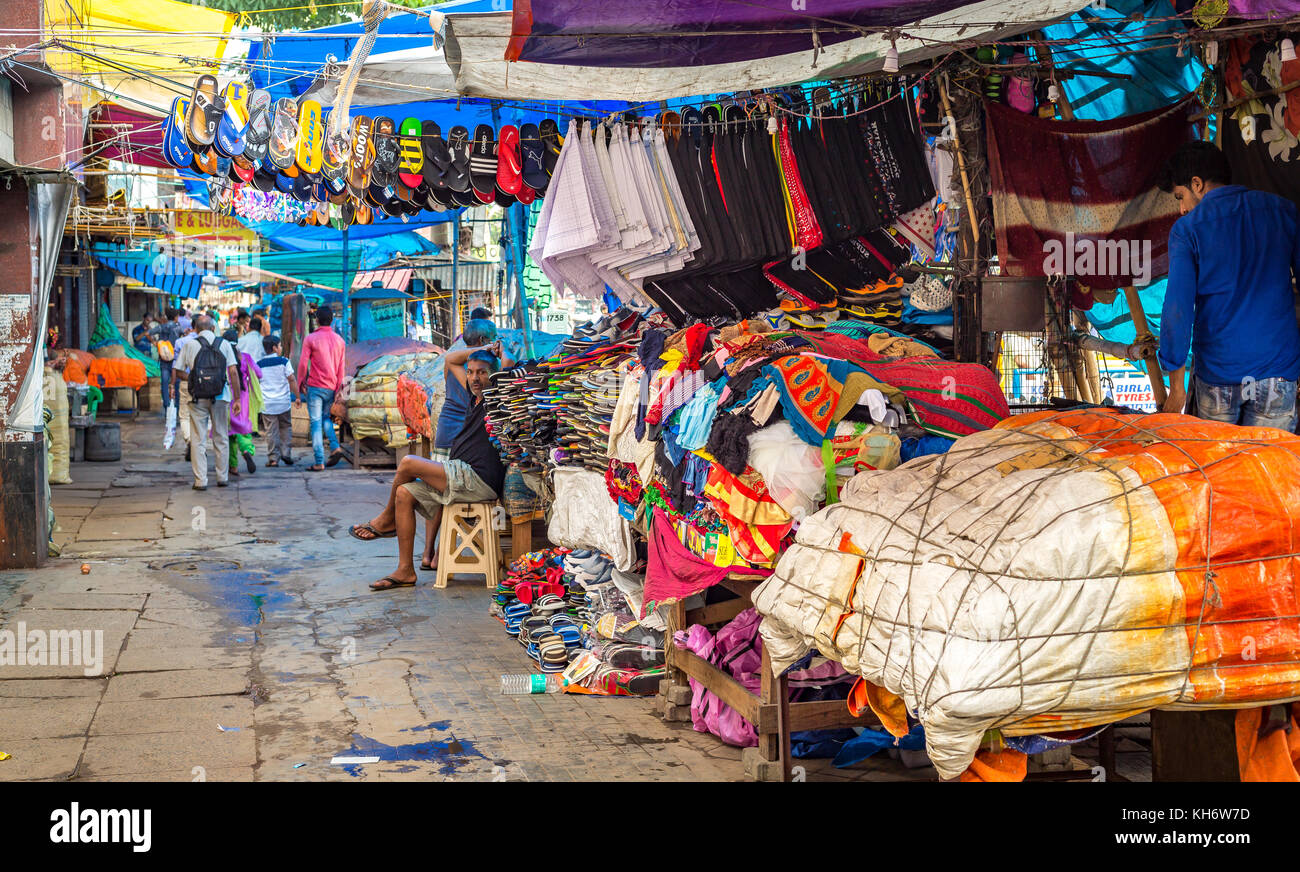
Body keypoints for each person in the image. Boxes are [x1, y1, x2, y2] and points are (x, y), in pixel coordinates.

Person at [1154, 141, 1300, 431]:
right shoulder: (1282, 211)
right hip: (1278, 377)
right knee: (1269, 473)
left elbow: (1177, 310)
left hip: (1218, 380)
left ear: (1197, 184)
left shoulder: (1187, 230)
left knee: (1217, 473)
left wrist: (1177, 386)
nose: (1182, 208)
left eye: (1180, 196)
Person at [349, 343, 507, 590]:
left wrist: (498, 352)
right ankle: (405, 570)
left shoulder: (496, 397)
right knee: (404, 493)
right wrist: (484, 348)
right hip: (459, 474)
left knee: (408, 463)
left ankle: (385, 520)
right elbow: (452, 359)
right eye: (472, 372)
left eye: (482, 372)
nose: (475, 378)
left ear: (494, 375)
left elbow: (505, 365)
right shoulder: (473, 397)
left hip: (477, 480)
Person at [172, 314, 240, 490]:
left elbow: (178, 371)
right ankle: (222, 477)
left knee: (198, 438)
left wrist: (195, 378)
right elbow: (233, 372)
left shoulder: (189, 345)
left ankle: (200, 481)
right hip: (221, 396)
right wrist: (238, 398)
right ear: (212, 328)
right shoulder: (224, 344)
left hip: (198, 398)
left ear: (195, 329)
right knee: (221, 437)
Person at [435, 318, 506, 457]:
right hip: (461, 433)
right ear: (483, 340)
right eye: (493, 338)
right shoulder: (481, 367)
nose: (496, 342)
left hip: (446, 430)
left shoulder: (457, 360)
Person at [297, 304, 346, 470]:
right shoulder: (340, 341)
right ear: (332, 320)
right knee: (325, 418)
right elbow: (341, 369)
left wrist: (300, 382)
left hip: (315, 387)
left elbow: (303, 364)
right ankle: (335, 446)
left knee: (316, 423)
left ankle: (319, 461)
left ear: (317, 320)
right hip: (332, 387)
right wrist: (339, 389)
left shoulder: (310, 339)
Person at [223, 328, 261, 476]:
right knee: (243, 430)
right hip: (243, 399)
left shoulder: (222, 357)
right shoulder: (246, 358)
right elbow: (259, 374)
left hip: (227, 397)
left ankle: (233, 467)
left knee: (230, 433)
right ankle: (246, 450)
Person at [258, 334, 299, 466]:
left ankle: (273, 458)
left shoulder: (259, 364)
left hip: (267, 404)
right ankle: (286, 453)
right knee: (286, 427)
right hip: (283, 403)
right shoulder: (284, 362)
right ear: (275, 348)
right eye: (280, 345)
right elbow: (292, 379)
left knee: (271, 431)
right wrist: (297, 396)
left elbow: (254, 384)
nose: (281, 347)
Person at [149, 308, 184, 411]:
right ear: (175, 317)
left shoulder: (161, 327)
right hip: (175, 359)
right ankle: (177, 406)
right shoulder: (178, 328)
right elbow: (184, 336)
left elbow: (148, 333)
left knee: (164, 382)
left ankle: (166, 405)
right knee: (176, 382)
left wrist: (155, 343)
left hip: (164, 359)